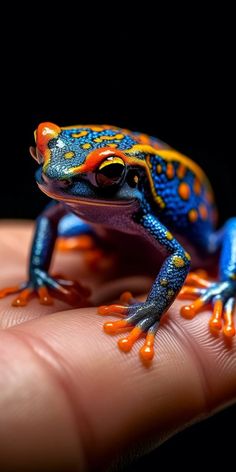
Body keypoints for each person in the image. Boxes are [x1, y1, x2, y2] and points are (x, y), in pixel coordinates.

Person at [0, 221, 235, 471]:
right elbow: (50, 217)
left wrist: (153, 308)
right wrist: (38, 272)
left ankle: (229, 282)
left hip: (197, 245)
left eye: (106, 176)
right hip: (118, 232)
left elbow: (179, 256)